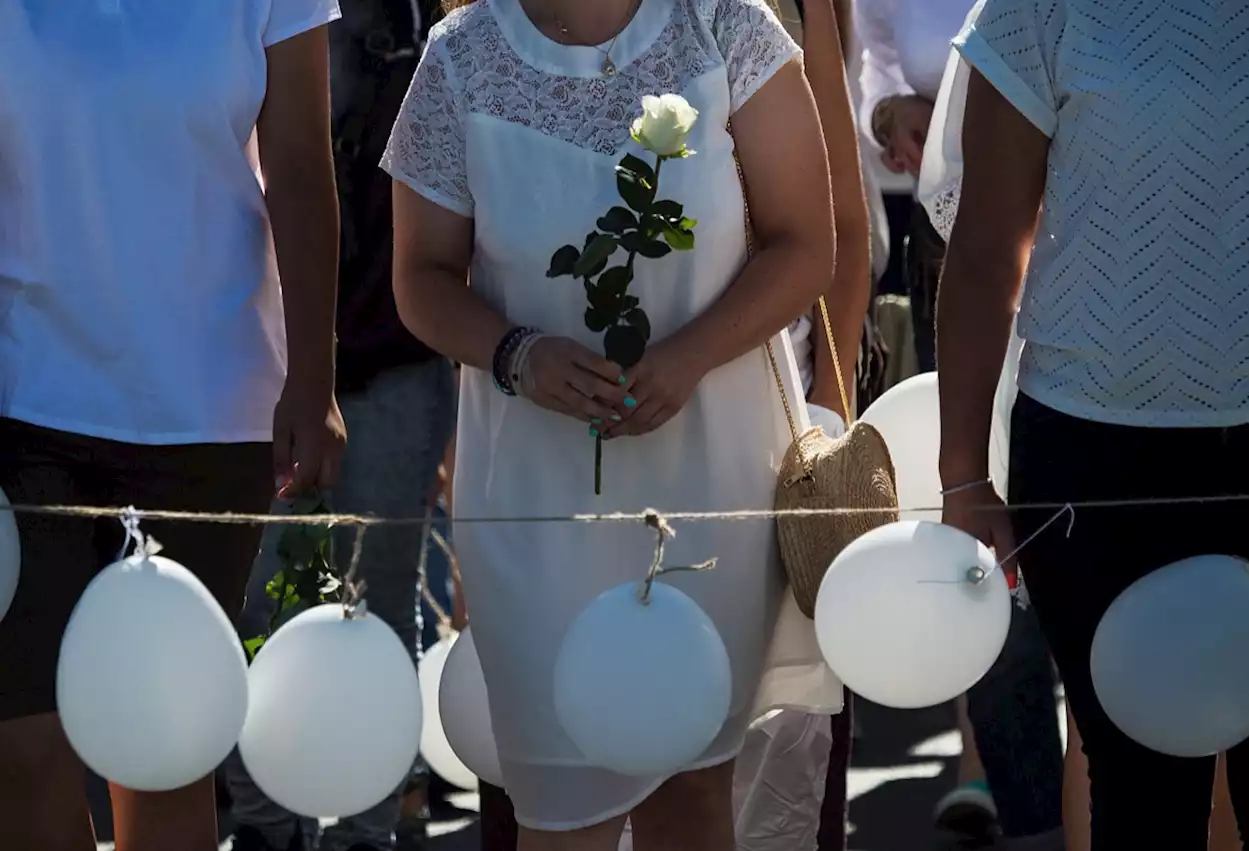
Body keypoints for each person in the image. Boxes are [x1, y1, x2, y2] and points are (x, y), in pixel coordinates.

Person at [384, 0, 840, 848]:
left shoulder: (725, 25)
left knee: (693, 796)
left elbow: (806, 241)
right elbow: (420, 276)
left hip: (709, 483)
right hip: (535, 499)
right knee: (560, 815)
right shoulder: (458, 59)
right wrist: (517, 353)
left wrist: (690, 355)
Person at [935, 0, 1249, 848]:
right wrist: (963, 472)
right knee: (1140, 799)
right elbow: (983, 250)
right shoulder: (1036, 9)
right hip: (1093, 462)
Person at [0, 2, 344, 850]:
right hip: (23, 404)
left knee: (158, 754)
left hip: (208, 412)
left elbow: (301, 166)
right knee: (20, 747)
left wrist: (314, 380)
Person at [224, 3, 458, 850]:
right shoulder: (251, 15)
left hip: (399, 353)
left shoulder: (426, 19)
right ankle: (263, 823)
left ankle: (370, 822)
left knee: (380, 600)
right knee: (258, 604)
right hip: (259, 354)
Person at [852, 0, 1066, 846]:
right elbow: (870, 72)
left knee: (1092, 528)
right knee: (980, 527)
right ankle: (1025, 807)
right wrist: (890, 115)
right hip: (960, 246)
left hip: (1095, 239)